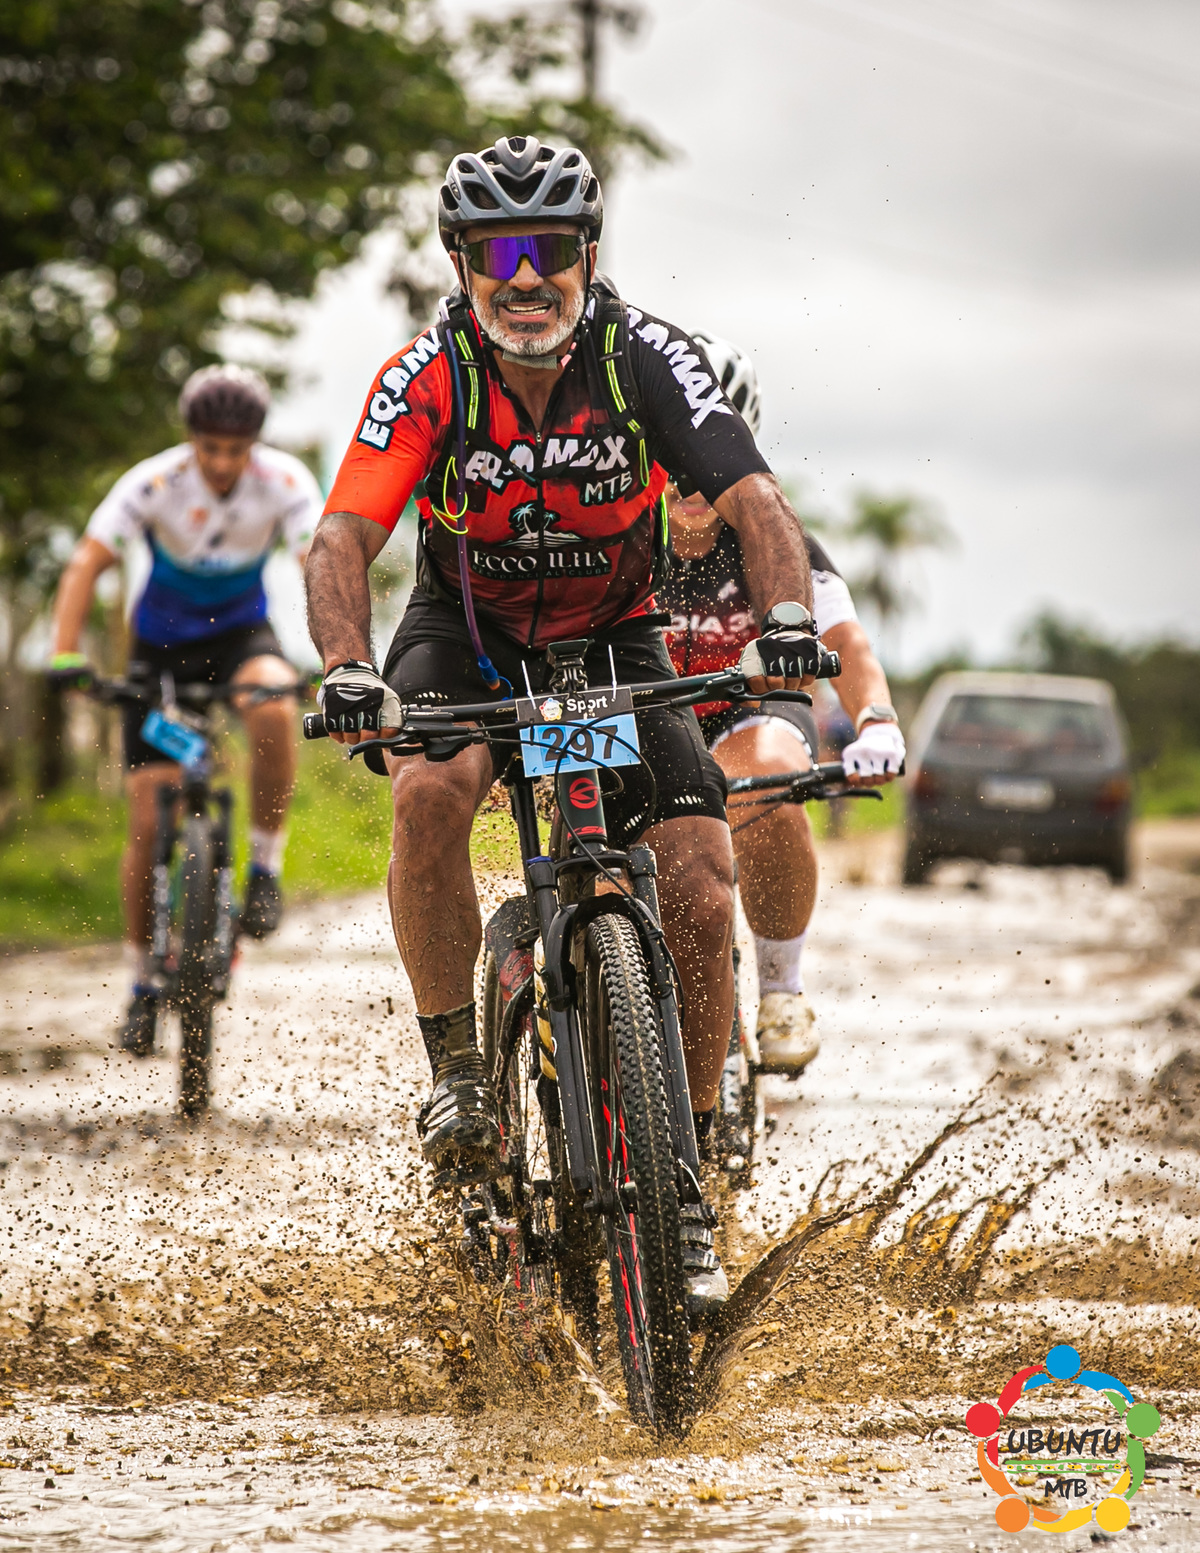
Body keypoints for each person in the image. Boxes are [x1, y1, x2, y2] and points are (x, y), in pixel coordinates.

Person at [305, 134, 829, 1319]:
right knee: (429, 794)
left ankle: (686, 1181)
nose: (526, 276)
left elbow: (756, 500)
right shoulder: (428, 372)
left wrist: (788, 618)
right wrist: (346, 666)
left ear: (589, 253)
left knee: (697, 880)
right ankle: (456, 1071)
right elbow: (341, 537)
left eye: (549, 248)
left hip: (614, 636)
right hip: (468, 632)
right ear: (461, 265)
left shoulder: (644, 357)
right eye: (498, 254)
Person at [48, 364, 321, 1053]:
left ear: (255, 443)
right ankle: (143, 980)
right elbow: (87, 562)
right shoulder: (153, 483)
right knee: (148, 817)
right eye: (210, 448)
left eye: (237, 449)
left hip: (241, 639)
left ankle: (264, 867)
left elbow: (316, 563)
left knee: (273, 705)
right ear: (191, 439)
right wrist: (65, 655)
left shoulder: (284, 482)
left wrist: (337, 656)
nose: (223, 463)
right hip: (160, 651)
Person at [662, 332, 906, 1076]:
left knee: (764, 779)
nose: (690, 475)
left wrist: (876, 719)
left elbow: (847, 643)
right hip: (647, 718)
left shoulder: (777, 540)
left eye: (707, 454)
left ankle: (780, 990)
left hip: (749, 715)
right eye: (671, 448)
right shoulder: (614, 533)